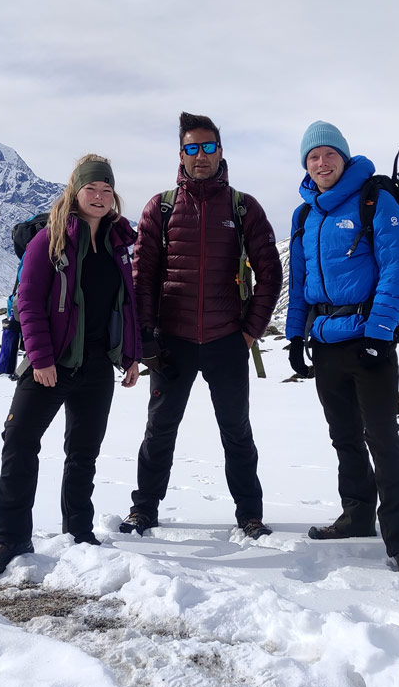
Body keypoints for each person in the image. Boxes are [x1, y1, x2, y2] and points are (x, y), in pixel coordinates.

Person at [0, 154, 141, 575]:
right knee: (19, 442)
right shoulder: (48, 239)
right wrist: (42, 359)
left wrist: (131, 357)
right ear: (75, 191)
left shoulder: (121, 242)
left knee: (83, 453)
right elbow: (29, 302)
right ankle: (10, 537)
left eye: (106, 190)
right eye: (91, 189)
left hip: (99, 366)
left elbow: (128, 304)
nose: (100, 196)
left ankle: (78, 531)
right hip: (51, 365)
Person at [121, 112, 282, 540]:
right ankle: (143, 510)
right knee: (159, 431)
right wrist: (146, 337)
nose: (201, 156)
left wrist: (250, 329)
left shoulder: (243, 206)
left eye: (208, 147)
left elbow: (271, 271)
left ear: (220, 152)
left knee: (237, 432)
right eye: (192, 148)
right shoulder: (162, 206)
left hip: (227, 339)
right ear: (181, 154)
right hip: (171, 343)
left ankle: (250, 514)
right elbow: (143, 276)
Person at [285, 121, 399, 572]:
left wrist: (378, 332)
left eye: (329, 154)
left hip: (369, 341)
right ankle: (357, 516)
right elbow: (301, 281)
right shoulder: (305, 215)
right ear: (306, 164)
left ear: (344, 158)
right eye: (313, 157)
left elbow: (398, 269)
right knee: (344, 437)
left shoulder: (374, 200)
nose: (322, 162)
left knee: (383, 438)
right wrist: (295, 335)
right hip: (326, 341)